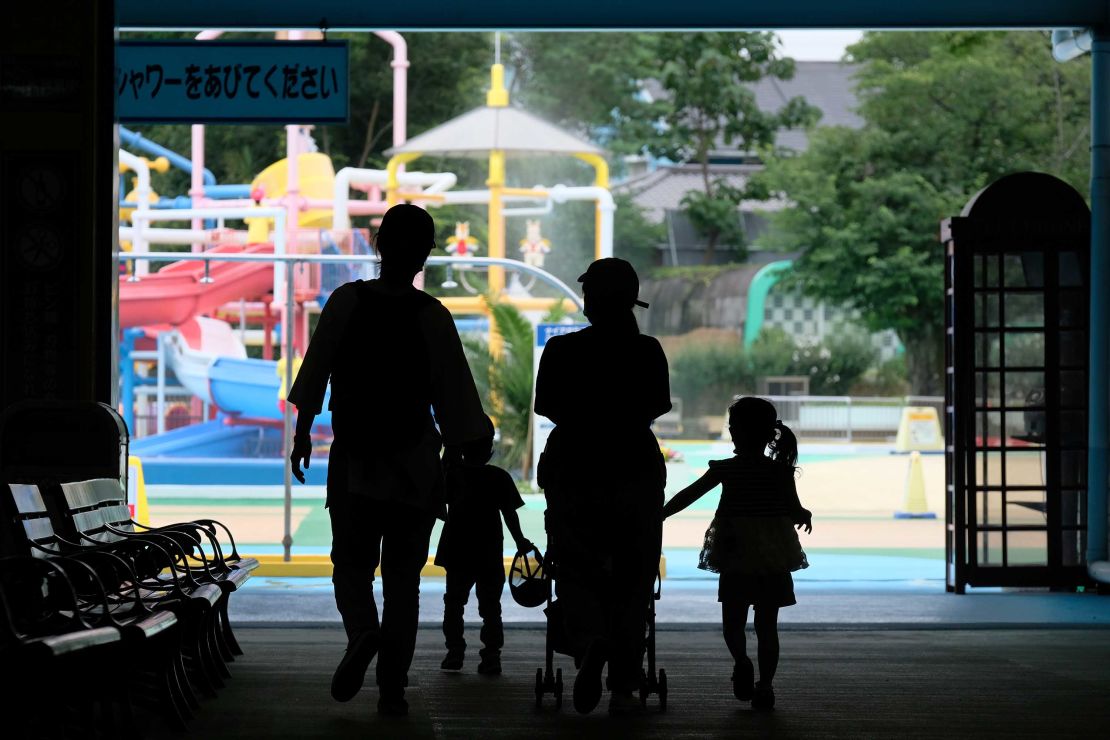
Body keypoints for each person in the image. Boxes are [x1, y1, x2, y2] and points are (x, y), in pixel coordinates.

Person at [288, 204, 490, 716]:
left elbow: (316, 371)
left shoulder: (346, 302)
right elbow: (456, 398)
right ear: (424, 255)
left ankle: (361, 631)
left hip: (355, 458)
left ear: (378, 246)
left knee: (351, 566)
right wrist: (468, 449)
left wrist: (303, 431)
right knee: (403, 581)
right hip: (416, 466)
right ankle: (393, 689)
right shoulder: (432, 316)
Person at [533, 257, 670, 715]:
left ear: (590, 299)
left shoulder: (561, 350)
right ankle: (626, 675)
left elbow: (547, 406)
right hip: (635, 470)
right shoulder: (647, 350)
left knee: (575, 567)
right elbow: (655, 406)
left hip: (575, 469)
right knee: (634, 576)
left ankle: (590, 639)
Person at [662, 396, 813, 711]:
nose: (730, 432)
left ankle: (742, 661)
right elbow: (794, 509)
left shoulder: (727, 470)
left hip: (735, 554)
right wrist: (803, 515)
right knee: (767, 626)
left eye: (732, 427)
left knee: (732, 622)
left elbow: (690, 494)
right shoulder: (780, 472)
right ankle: (766, 687)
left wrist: (661, 513)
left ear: (742, 432)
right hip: (772, 557)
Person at [435, 415, 533, 676]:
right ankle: (491, 656)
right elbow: (510, 515)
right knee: (491, 607)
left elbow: (438, 500)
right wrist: (521, 541)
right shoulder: (499, 478)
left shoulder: (453, 477)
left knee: (454, 603)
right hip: (489, 553)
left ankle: (455, 652)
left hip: (457, 552)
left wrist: (447, 461)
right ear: (490, 450)